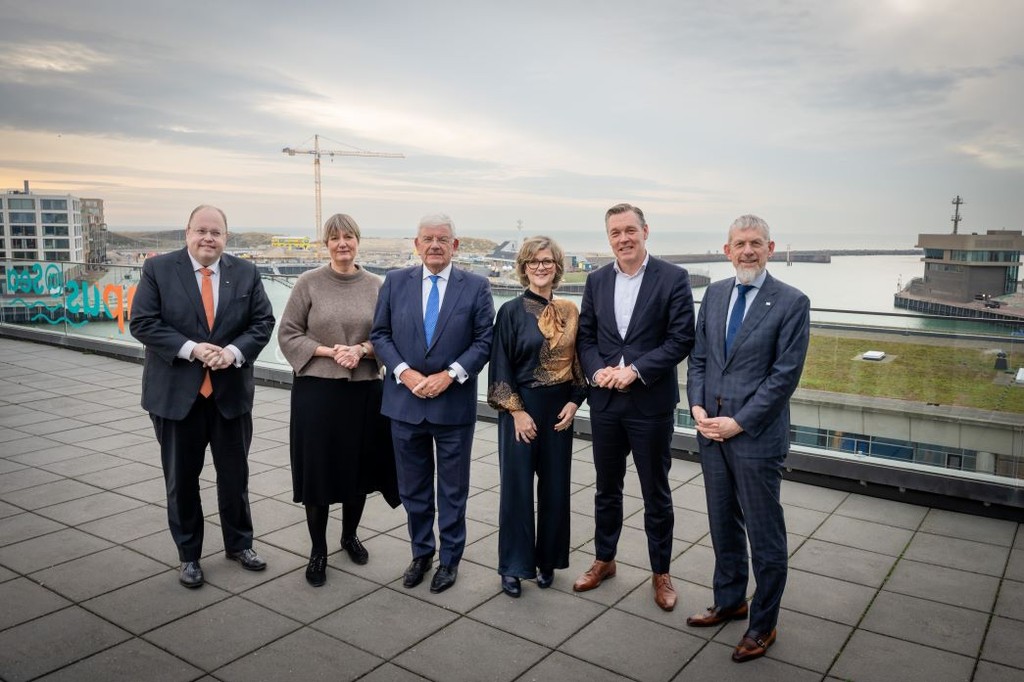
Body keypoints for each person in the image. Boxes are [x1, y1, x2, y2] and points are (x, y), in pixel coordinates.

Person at [685, 214, 810, 663]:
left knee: (765, 534)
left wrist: (738, 422)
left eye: (756, 243)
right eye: (740, 243)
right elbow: (699, 358)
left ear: (771, 248)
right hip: (710, 432)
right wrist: (697, 407)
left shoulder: (792, 302)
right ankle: (730, 599)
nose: (748, 251)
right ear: (726, 250)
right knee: (722, 524)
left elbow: (782, 379)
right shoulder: (715, 295)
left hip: (754, 437)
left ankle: (763, 625)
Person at [130, 204, 276, 588]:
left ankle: (240, 545)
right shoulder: (159, 269)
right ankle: (189, 555)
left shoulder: (245, 272)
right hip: (177, 397)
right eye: (201, 231)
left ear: (226, 237)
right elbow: (143, 322)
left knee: (235, 476)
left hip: (229, 395)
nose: (208, 238)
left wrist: (233, 352)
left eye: (216, 232)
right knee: (181, 479)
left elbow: (263, 322)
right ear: (187, 233)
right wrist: (192, 349)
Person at [574, 203, 695, 611]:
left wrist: (636, 371)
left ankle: (661, 572)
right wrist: (597, 372)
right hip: (606, 402)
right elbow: (586, 337)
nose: (623, 239)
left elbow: (681, 339)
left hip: (650, 403)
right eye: (615, 233)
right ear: (608, 238)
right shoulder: (595, 280)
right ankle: (604, 559)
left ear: (646, 231)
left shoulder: (674, 278)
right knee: (607, 489)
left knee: (655, 493)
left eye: (630, 230)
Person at [370, 213, 494, 594]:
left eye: (443, 239)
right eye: (428, 238)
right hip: (405, 404)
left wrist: (450, 374)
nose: (435, 245)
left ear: (455, 245)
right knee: (413, 489)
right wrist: (405, 373)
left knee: (453, 491)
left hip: (452, 405)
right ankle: (421, 552)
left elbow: (484, 340)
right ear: (416, 244)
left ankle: (450, 559)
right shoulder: (394, 282)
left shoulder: (475, 286)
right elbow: (380, 334)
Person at [277, 213, 400, 587]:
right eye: (335, 238)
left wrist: (361, 350)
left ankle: (349, 536)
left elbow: (388, 336)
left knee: (357, 472)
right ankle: (318, 551)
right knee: (318, 472)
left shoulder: (378, 285)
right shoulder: (308, 283)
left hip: (364, 391)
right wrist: (332, 352)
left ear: (358, 241)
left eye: (349, 237)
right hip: (317, 392)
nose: (342, 243)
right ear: (326, 244)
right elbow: (287, 333)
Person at [487, 236, 587, 597]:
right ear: (524, 267)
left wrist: (576, 402)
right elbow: (500, 367)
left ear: (557, 267)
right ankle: (513, 566)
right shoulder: (510, 312)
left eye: (547, 261)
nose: (541, 266)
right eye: (533, 261)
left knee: (556, 489)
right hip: (521, 409)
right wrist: (516, 412)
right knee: (516, 490)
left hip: (560, 410)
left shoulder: (570, 312)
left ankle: (548, 561)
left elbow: (579, 365)